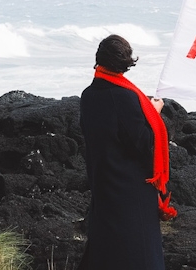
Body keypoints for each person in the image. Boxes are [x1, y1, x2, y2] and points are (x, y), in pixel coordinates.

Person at [78, 34, 176, 270]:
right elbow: (145, 143)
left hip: (102, 182)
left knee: (105, 250)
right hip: (130, 190)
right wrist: (155, 113)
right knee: (138, 254)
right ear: (126, 63)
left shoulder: (87, 96)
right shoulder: (125, 97)